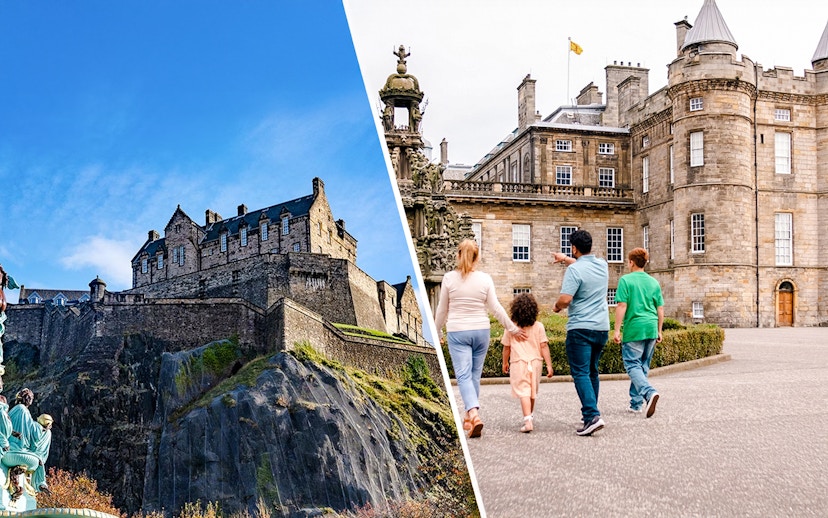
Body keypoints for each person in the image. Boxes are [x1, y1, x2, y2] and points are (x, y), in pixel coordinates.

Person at [435, 239, 526, 438]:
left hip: (458, 331)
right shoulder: (485, 279)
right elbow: (496, 308)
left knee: (464, 376)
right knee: (474, 375)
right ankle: (469, 418)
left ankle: (474, 414)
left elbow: (442, 310)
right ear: (477, 258)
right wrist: (512, 328)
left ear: (458, 255)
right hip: (481, 331)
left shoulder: (449, 278)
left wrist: (438, 332)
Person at [552, 229, 610, 436]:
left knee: (580, 372)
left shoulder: (574, 272)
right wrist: (565, 258)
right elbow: (583, 265)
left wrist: (557, 307)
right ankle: (591, 415)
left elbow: (566, 299)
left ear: (574, 248)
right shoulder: (603, 265)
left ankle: (592, 415)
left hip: (581, 328)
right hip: (602, 328)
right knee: (593, 371)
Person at [614, 248, 664, 418]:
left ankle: (649, 393)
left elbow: (621, 306)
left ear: (631, 262)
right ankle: (636, 404)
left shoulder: (626, 280)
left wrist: (616, 330)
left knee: (632, 365)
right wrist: (659, 330)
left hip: (634, 328)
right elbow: (660, 308)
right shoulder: (653, 282)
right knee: (642, 366)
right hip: (651, 327)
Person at [501, 293, 553, 433]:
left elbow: (506, 347)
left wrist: (505, 362)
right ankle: (530, 415)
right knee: (532, 392)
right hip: (536, 362)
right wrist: (549, 364)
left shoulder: (511, 328)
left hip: (519, 362)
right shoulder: (539, 326)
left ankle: (527, 420)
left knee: (523, 391)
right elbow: (544, 346)